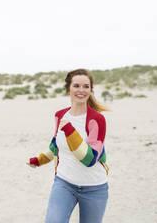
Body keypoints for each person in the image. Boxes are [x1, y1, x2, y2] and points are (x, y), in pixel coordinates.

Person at [27, 68, 109, 223]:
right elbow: (55, 146)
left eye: (86, 86)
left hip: (94, 188)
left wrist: (70, 131)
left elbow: (90, 159)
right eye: (76, 85)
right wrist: (39, 160)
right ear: (68, 89)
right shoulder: (60, 115)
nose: (81, 90)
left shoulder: (97, 120)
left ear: (91, 90)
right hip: (64, 183)